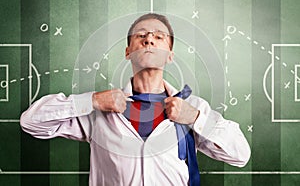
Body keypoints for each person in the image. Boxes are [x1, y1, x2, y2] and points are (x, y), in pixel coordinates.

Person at [20, 13, 251, 186]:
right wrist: (91, 101)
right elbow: (31, 122)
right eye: (141, 35)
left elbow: (240, 155)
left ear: (170, 56)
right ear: (128, 51)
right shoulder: (99, 111)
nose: (149, 39)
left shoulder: (193, 108)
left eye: (159, 37)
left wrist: (195, 117)